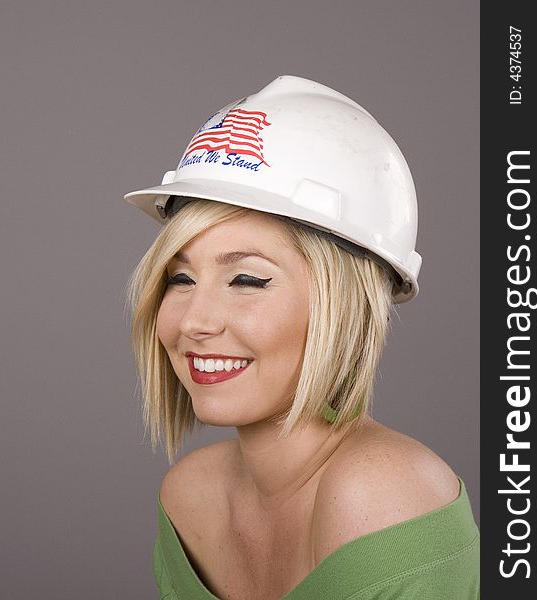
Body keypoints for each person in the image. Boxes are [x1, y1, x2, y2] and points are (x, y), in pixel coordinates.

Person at [123, 75, 479, 599]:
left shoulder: (382, 497)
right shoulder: (189, 497)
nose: (196, 321)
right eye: (180, 278)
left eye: (247, 279)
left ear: (345, 304)